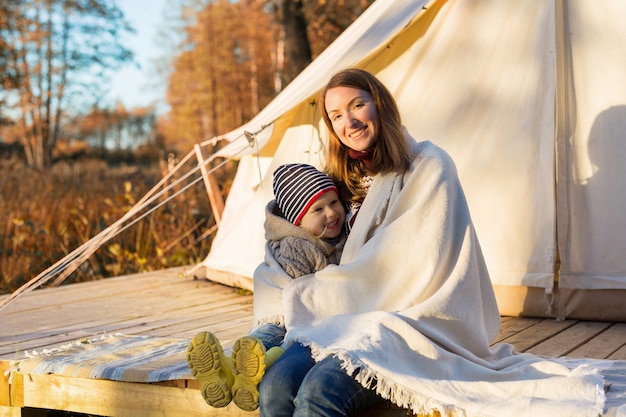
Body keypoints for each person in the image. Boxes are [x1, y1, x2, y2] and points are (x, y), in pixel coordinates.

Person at [253, 68, 605, 417]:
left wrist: (309, 293)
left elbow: (398, 264)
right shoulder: (340, 183)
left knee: (319, 392)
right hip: (341, 317)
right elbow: (297, 242)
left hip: (409, 321)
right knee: (275, 388)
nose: (350, 121)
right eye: (337, 116)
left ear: (379, 105)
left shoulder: (429, 165)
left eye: (358, 105)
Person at [187, 163, 347, 412]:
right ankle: (236, 364)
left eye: (334, 202)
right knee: (269, 338)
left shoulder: (331, 237)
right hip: (282, 310)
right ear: (299, 221)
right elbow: (301, 294)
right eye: (318, 209)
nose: (331, 213)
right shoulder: (298, 245)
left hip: (295, 314)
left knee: (266, 350)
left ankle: (234, 375)